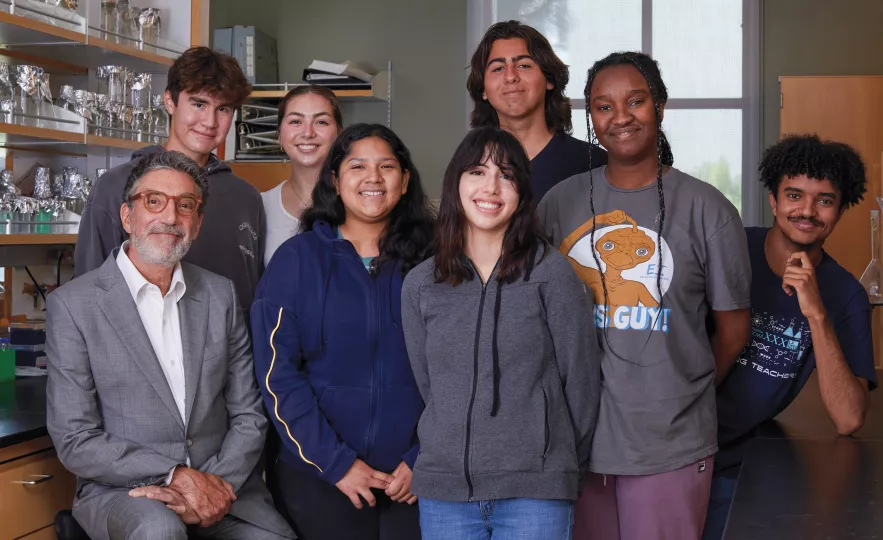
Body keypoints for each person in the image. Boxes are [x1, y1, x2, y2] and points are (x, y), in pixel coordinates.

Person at [537, 52, 752, 540]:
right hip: (575, 440)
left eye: (635, 101)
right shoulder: (558, 205)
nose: (620, 117)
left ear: (659, 105)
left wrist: (678, 389)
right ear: (591, 118)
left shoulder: (708, 209)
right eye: (603, 107)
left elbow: (734, 332)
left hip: (669, 445)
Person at [45, 151, 294, 540]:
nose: (170, 217)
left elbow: (249, 414)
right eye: (154, 201)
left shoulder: (220, 295)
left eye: (186, 205)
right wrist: (176, 475)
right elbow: (76, 439)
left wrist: (211, 485)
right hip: (123, 491)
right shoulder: (74, 305)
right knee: (159, 531)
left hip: (222, 486)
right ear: (128, 216)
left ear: (197, 223)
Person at [401, 126, 601, 539]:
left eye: (507, 175)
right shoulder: (421, 284)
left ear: (522, 193)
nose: (491, 187)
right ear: (456, 181)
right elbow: (428, 383)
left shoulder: (552, 274)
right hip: (445, 491)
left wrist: (558, 464)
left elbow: (581, 382)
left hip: (536, 491)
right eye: (477, 171)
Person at [251, 124, 434, 540]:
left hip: (416, 481)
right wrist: (336, 464)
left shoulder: (436, 263)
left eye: (387, 166)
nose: (373, 177)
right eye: (357, 166)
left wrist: (423, 455)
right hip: (319, 478)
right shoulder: (296, 260)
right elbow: (278, 376)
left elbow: (458, 369)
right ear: (335, 180)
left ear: (405, 181)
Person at [703, 134, 876, 540]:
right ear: (774, 201)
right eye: (794, 195)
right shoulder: (728, 247)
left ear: (840, 210)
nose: (807, 211)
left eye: (825, 200)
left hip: (740, 463)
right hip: (675, 446)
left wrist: (816, 311)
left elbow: (849, 418)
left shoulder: (846, 295)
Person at [76, 46, 264, 317]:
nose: (210, 121)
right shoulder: (116, 186)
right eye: (198, 104)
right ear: (170, 101)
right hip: (138, 353)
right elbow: (88, 294)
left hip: (229, 355)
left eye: (223, 108)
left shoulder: (247, 198)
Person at [468, 20, 607, 202]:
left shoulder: (593, 163)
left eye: (524, 65)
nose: (510, 76)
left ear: (549, 79)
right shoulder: (467, 165)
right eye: (498, 68)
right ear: (484, 89)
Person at [261, 85, 344, 264]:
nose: (308, 133)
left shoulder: (359, 203)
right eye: (295, 122)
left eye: (321, 122)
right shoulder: (259, 207)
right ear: (279, 135)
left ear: (339, 133)